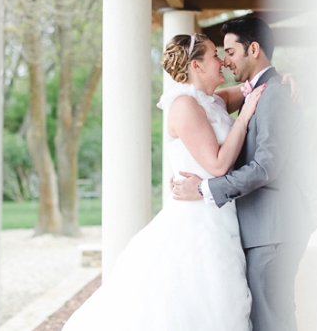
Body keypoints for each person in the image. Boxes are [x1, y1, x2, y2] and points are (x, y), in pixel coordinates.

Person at [61, 32, 270, 331]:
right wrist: (245, 116)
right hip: (198, 221)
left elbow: (257, 85)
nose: (222, 61)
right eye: (214, 55)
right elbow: (219, 164)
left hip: (221, 214)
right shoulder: (184, 106)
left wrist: (284, 80)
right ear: (196, 66)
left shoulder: (214, 100)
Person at [172, 16, 310, 331]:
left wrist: (204, 189)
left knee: (271, 319)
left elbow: (265, 167)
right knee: (263, 316)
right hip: (254, 226)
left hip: (271, 227)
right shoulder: (238, 95)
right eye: (218, 55)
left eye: (230, 52)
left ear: (254, 49)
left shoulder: (274, 92)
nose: (225, 60)